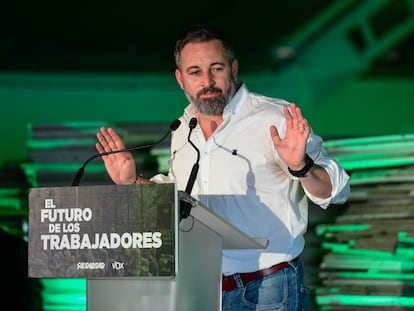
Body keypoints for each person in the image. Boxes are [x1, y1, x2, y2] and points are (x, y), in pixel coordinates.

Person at [95, 25, 350, 311]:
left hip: (268, 289)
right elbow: (180, 199)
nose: (207, 81)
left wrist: (301, 166)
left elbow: (336, 191)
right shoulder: (183, 128)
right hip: (201, 290)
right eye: (195, 72)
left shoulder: (274, 118)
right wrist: (133, 182)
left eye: (216, 68)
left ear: (234, 68)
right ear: (180, 79)